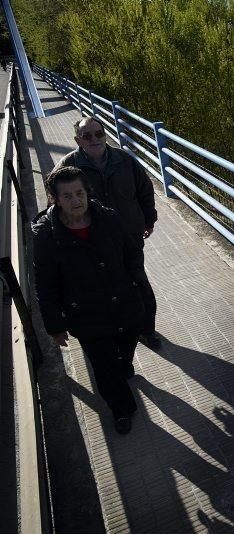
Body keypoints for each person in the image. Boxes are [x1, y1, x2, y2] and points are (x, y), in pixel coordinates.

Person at [32, 166, 145, 434]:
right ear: (55, 199)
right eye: (67, 196)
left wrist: (137, 285)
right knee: (105, 368)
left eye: (79, 193)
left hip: (124, 303)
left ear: (87, 192)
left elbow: (131, 253)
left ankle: (124, 365)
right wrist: (55, 325)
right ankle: (122, 409)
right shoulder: (47, 235)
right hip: (87, 315)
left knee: (126, 347)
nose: (76, 200)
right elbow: (45, 284)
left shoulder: (108, 218)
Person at [55, 116, 161, 349]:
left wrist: (149, 220)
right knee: (107, 290)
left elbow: (145, 190)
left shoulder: (124, 160)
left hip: (129, 238)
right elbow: (55, 201)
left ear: (105, 134)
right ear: (78, 140)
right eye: (87, 135)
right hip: (93, 244)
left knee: (139, 285)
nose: (94, 139)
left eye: (98, 133)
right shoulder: (67, 167)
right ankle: (117, 337)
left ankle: (146, 330)